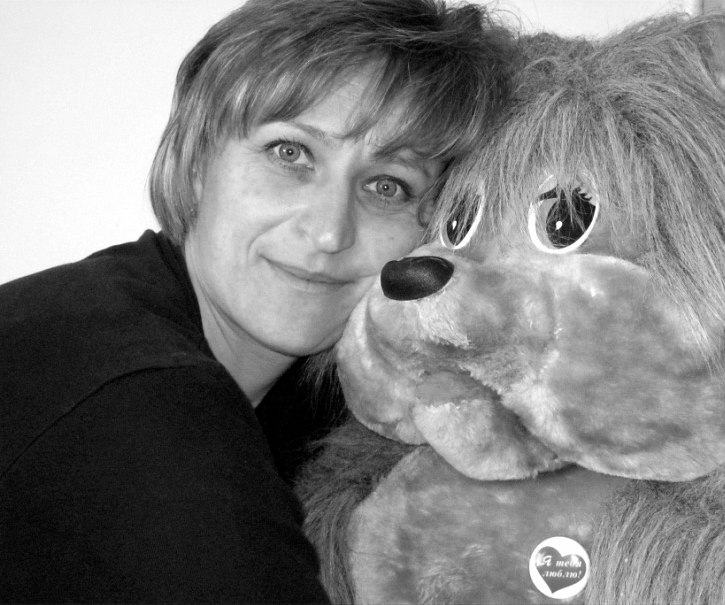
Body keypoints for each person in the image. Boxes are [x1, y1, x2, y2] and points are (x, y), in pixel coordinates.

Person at [0, 0, 515, 601]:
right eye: (290, 153)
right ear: (196, 160)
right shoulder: (135, 402)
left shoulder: (312, 399)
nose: (329, 232)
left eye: (387, 186)